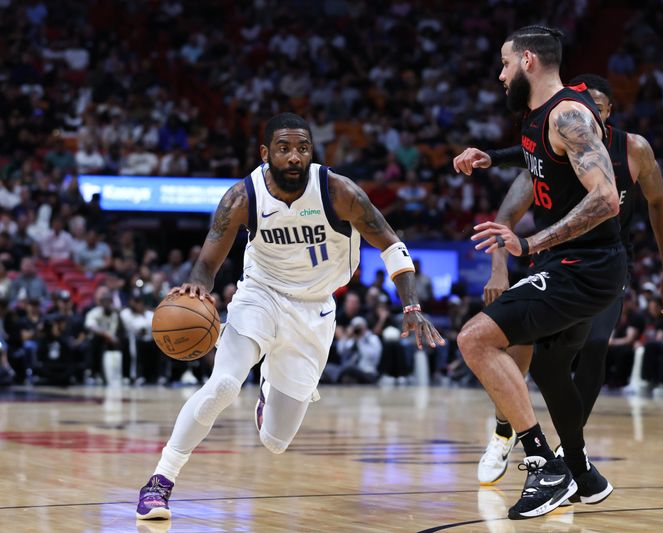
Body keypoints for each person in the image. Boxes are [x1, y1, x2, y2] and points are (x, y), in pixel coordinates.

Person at [136, 113, 444, 520]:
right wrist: (197, 286)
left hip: (314, 309)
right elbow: (209, 258)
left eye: (302, 148)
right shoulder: (242, 197)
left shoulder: (339, 192)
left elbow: (392, 245)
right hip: (260, 295)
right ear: (266, 153)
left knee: (276, 441)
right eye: (284, 148)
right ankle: (160, 482)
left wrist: (411, 305)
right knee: (224, 384)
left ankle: (269, 388)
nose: (294, 156)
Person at [458, 71, 663, 513]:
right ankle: (564, 460)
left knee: (592, 346)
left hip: (600, 268)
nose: (583, 113)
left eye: (594, 106)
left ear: (606, 112)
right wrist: (500, 263)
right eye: (579, 104)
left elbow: (657, 203)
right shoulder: (549, 146)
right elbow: (507, 210)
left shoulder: (630, 149)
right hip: (555, 266)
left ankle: (549, 459)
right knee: (544, 360)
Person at [453, 27, 627, 519]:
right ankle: (583, 476)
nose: (500, 73)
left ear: (528, 60)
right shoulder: (536, 116)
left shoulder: (569, 114)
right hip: (568, 264)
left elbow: (607, 198)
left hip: (587, 267)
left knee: (476, 339)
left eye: (505, 63)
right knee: (548, 368)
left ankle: (541, 464)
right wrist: (493, 157)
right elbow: (540, 158)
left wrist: (529, 242)